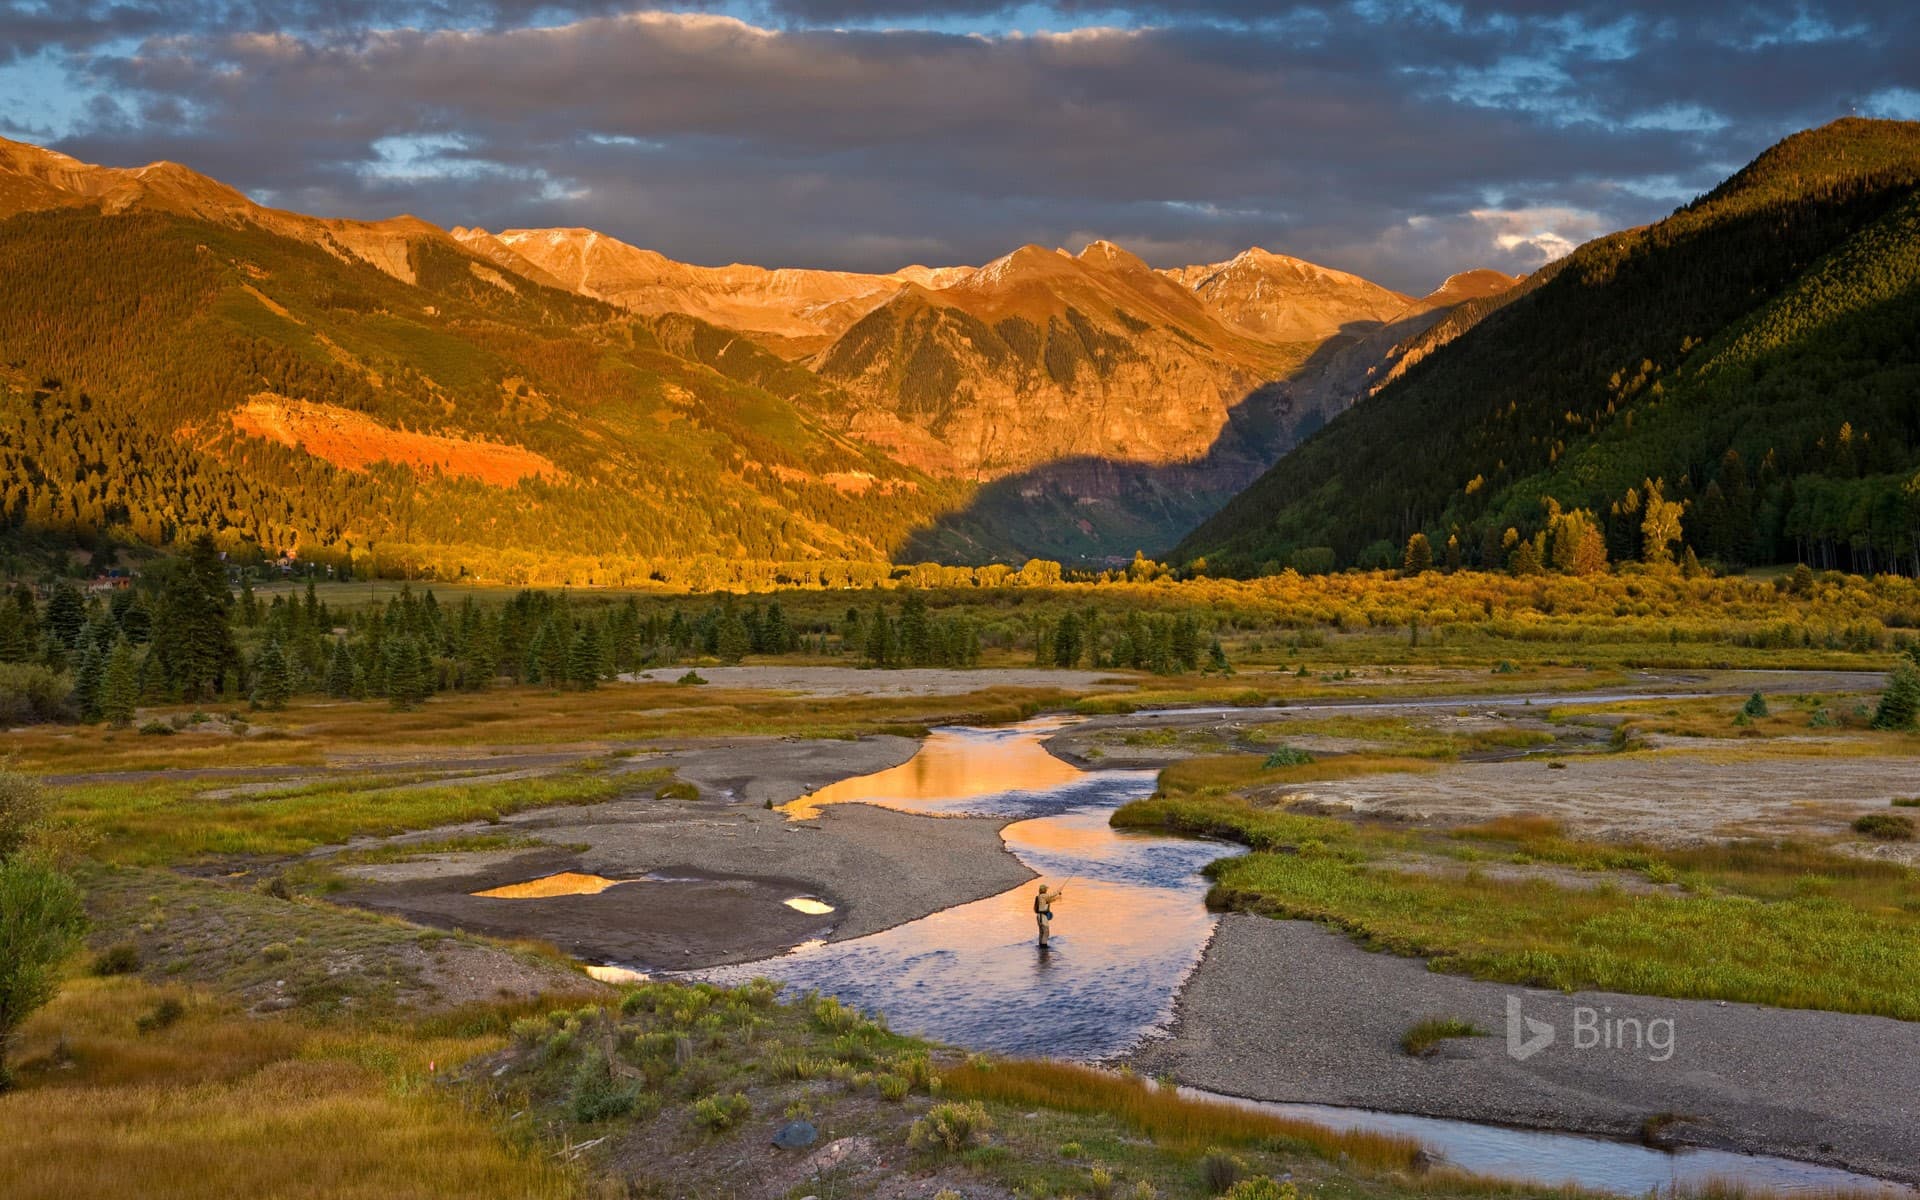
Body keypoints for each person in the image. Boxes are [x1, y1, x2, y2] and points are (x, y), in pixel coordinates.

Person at [1034, 882, 1065, 947]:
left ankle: (1041, 949)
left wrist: (1057, 897)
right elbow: (1052, 895)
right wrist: (1058, 890)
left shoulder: (1041, 897)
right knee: (1046, 932)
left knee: (1042, 932)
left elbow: (1049, 900)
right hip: (1043, 917)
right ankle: (1044, 949)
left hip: (1039, 917)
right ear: (1044, 890)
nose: (1046, 890)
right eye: (1046, 889)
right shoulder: (1043, 895)